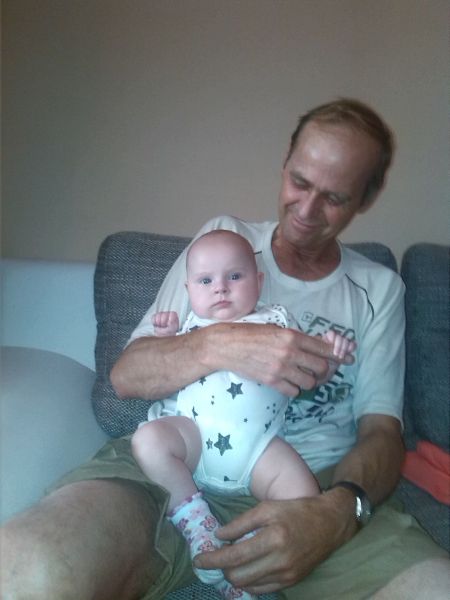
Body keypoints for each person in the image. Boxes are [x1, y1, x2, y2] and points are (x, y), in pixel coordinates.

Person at [2, 98, 449, 600]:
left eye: (334, 197)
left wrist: (337, 513)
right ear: (285, 164)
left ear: (366, 198)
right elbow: (127, 376)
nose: (306, 211)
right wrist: (222, 344)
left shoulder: (378, 289)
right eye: (299, 182)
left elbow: (383, 433)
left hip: (309, 485)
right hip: (174, 465)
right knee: (26, 569)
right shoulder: (223, 243)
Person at [131, 229, 355, 599]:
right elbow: (162, 372)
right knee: (148, 439)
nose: (220, 288)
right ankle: (197, 524)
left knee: (305, 495)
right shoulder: (190, 327)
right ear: (188, 290)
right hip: (193, 439)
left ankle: (247, 556)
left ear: (259, 282)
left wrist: (330, 357)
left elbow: (311, 376)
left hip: (259, 450)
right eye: (206, 281)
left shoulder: (278, 321)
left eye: (234, 276)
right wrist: (164, 337)